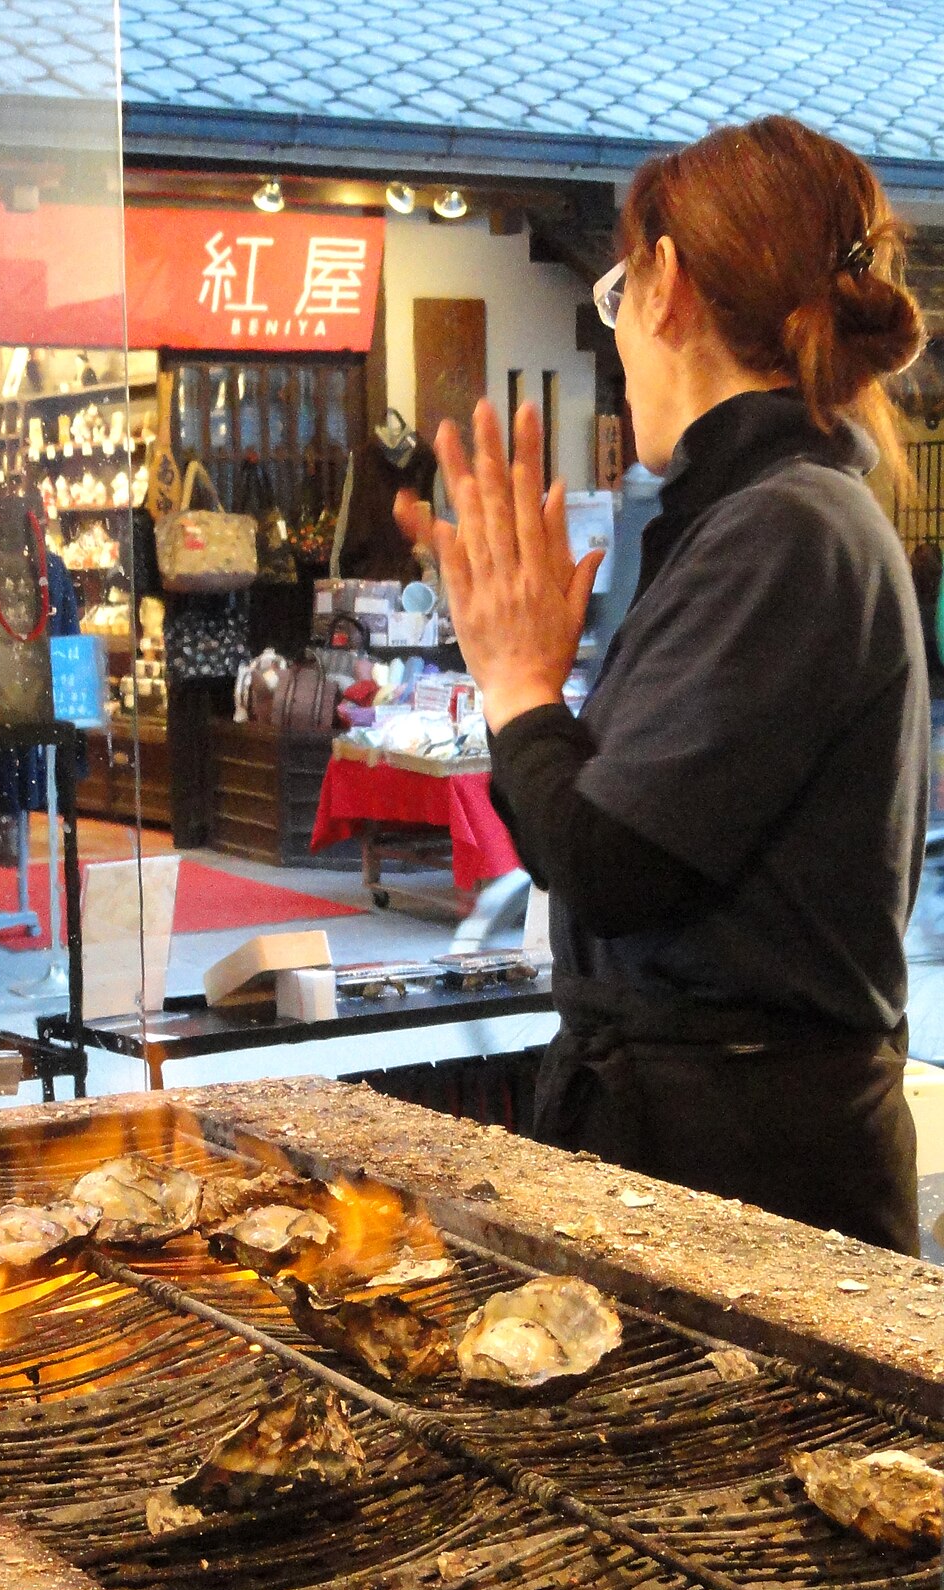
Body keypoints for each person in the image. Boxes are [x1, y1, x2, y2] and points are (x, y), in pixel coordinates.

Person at [398, 115, 928, 1254]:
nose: (616, 340)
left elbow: (609, 864)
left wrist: (516, 683)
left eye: (612, 297)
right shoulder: (753, 516)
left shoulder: (788, 525)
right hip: (720, 1158)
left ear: (665, 284)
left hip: (752, 1182)